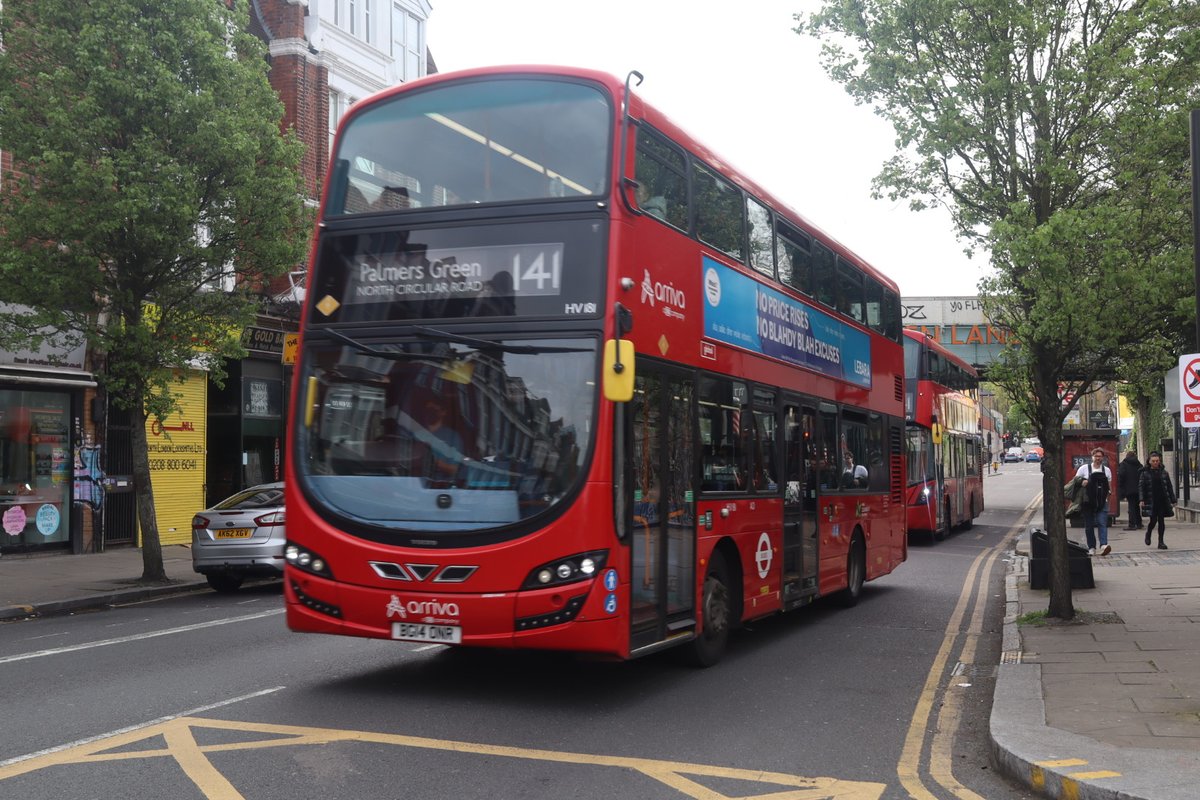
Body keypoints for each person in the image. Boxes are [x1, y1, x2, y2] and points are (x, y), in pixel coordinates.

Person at [1074, 447, 1112, 556]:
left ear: (1103, 458)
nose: (1098, 458)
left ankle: (1104, 545)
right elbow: (1075, 482)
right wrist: (1082, 482)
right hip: (1088, 502)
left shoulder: (1107, 470)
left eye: (1100, 456)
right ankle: (1091, 547)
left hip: (1102, 502)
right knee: (1089, 525)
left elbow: (1110, 488)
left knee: (1102, 523)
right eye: (1096, 456)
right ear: (1092, 457)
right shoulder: (1084, 469)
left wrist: (1107, 500)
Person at [1139, 450, 1176, 549]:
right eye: (1153, 461)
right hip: (1151, 500)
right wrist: (1141, 499)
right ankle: (1149, 533)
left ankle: (1161, 542)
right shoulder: (1145, 473)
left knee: (1161, 521)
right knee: (1153, 520)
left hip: (1162, 500)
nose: (1156, 463)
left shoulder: (1164, 473)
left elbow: (1169, 487)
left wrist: (1173, 500)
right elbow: (1141, 487)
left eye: (1157, 461)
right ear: (1149, 461)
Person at [1117, 449, 1143, 530]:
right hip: (1138, 488)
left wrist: (1121, 488)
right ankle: (1139, 523)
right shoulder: (1139, 465)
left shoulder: (1124, 464)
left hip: (1128, 488)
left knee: (1131, 506)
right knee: (1136, 506)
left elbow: (1121, 476)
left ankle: (1131, 524)